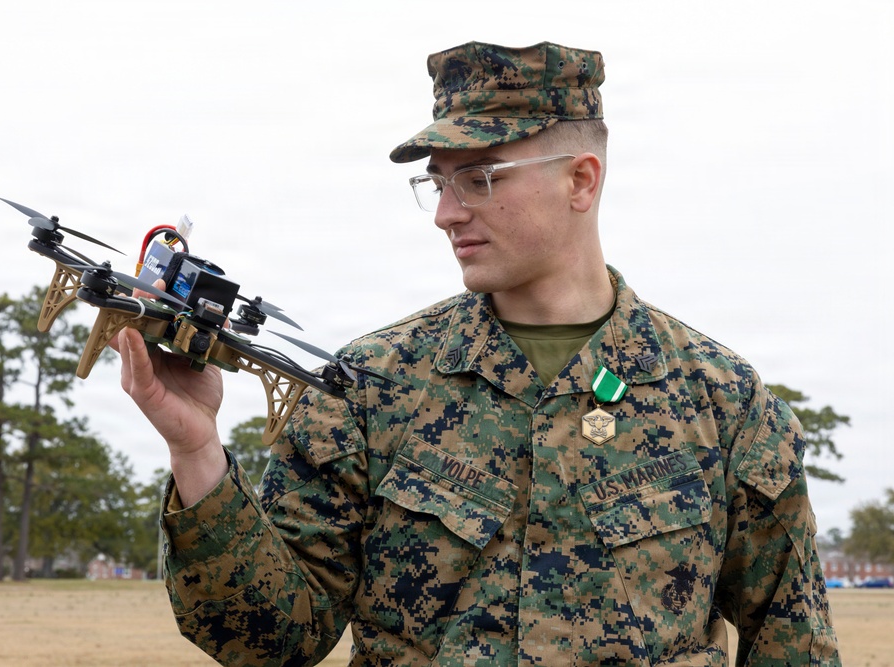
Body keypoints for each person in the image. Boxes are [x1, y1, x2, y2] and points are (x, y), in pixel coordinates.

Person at [116, 41, 841, 666]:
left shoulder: (719, 398)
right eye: (438, 180)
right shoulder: (370, 386)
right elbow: (270, 641)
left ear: (581, 179)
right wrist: (198, 454)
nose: (446, 212)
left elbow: (794, 642)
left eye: (481, 177)